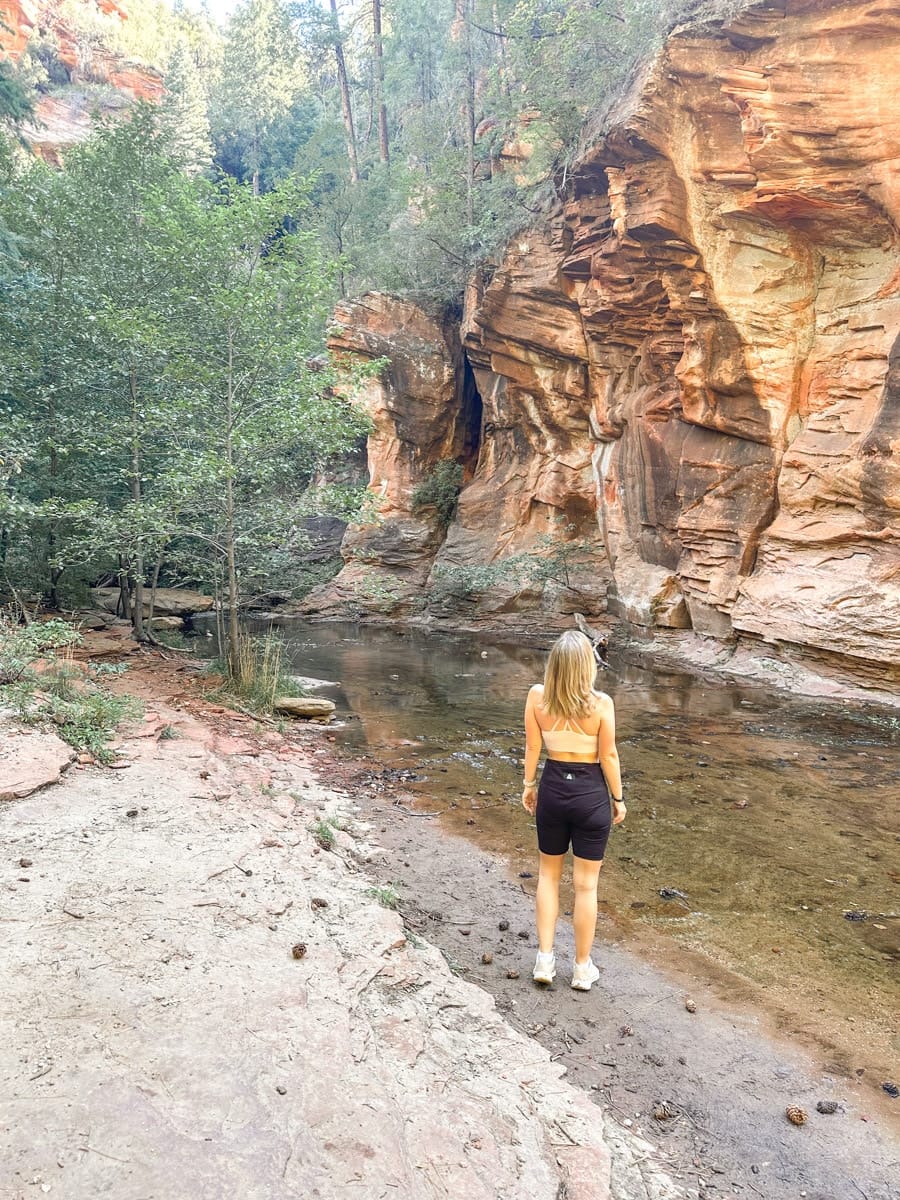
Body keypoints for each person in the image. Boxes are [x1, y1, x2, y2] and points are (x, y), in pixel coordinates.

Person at [522, 630, 626, 991]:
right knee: (586, 885)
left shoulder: (537, 697)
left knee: (548, 876)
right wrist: (618, 798)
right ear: (587, 666)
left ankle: (545, 960)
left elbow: (533, 748)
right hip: (590, 794)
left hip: (552, 789)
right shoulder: (601, 704)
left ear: (554, 665)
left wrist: (528, 785)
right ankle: (582, 969)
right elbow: (609, 756)